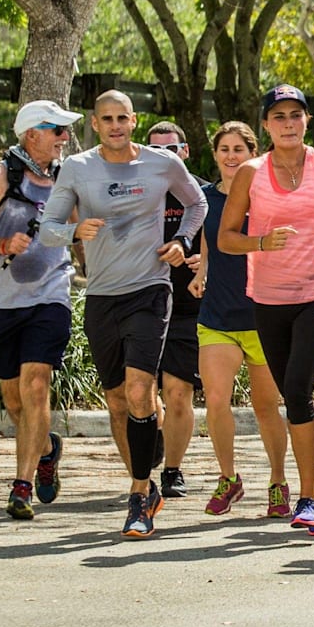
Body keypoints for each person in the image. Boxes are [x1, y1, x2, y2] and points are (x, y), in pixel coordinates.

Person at [38, 90, 207, 538]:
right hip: (102, 296)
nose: (115, 125)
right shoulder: (78, 168)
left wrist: (182, 242)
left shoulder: (161, 163)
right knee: (117, 401)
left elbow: (198, 204)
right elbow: (47, 229)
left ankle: (138, 493)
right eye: (106, 119)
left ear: (133, 121)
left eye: (122, 118)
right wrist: (74, 230)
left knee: (138, 390)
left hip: (150, 290)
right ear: (95, 123)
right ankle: (145, 475)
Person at [217, 84, 314, 536]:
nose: (287, 123)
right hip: (268, 298)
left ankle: (308, 502)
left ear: (307, 121)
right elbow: (226, 238)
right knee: (289, 396)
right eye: (278, 116)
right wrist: (261, 242)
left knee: (298, 392)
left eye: (295, 115)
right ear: (265, 124)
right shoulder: (250, 173)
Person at [0, 100, 80, 520]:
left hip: (50, 295)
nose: (64, 138)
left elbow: (80, 231)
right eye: (57, 130)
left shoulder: (68, 178)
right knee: (15, 400)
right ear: (31, 134)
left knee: (36, 384)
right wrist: (0, 245)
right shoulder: (1, 177)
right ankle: (47, 449)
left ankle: (21, 487)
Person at [190, 121, 291, 517]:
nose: (231, 156)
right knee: (216, 400)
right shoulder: (205, 197)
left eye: (239, 149)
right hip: (216, 315)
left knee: (267, 406)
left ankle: (279, 480)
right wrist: (201, 272)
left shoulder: (267, 196)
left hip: (262, 314)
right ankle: (229, 479)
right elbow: (209, 237)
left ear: (253, 154)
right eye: (224, 149)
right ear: (215, 155)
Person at [146, 120, 209, 499]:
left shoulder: (203, 195)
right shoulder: (140, 193)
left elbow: (223, 243)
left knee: (179, 391)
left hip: (188, 308)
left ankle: (172, 470)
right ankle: (152, 438)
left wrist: (204, 261)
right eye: (156, 152)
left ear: (184, 151)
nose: (165, 158)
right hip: (143, 303)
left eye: (171, 150)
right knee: (142, 392)